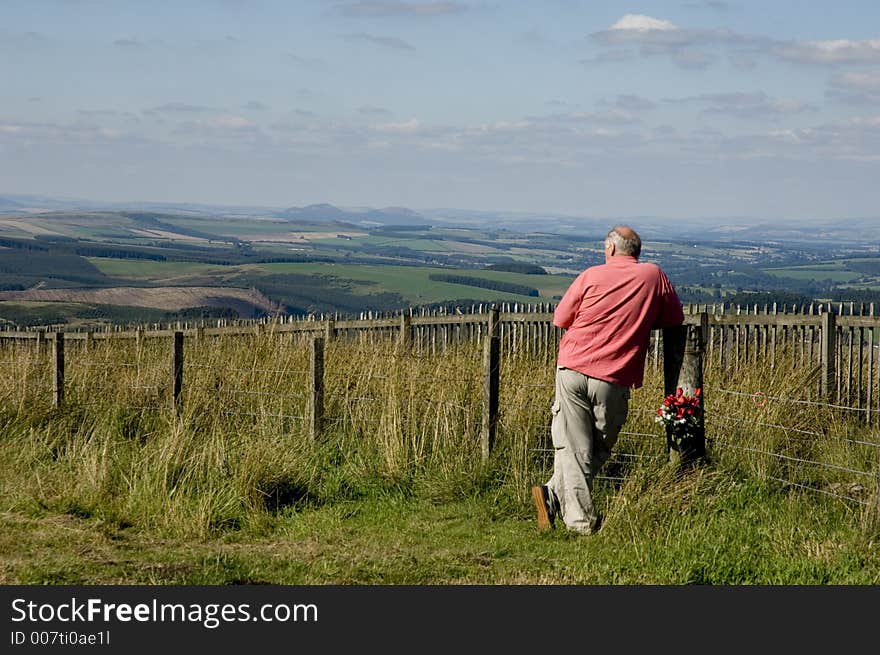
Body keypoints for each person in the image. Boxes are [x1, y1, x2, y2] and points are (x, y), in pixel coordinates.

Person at [532, 225, 684, 534]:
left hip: (571, 366)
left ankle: (552, 493)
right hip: (614, 375)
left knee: (579, 448)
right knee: (595, 445)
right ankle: (580, 523)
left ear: (611, 249)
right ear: (636, 252)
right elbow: (674, 318)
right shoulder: (654, 275)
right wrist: (637, 319)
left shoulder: (590, 275)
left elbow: (561, 319)